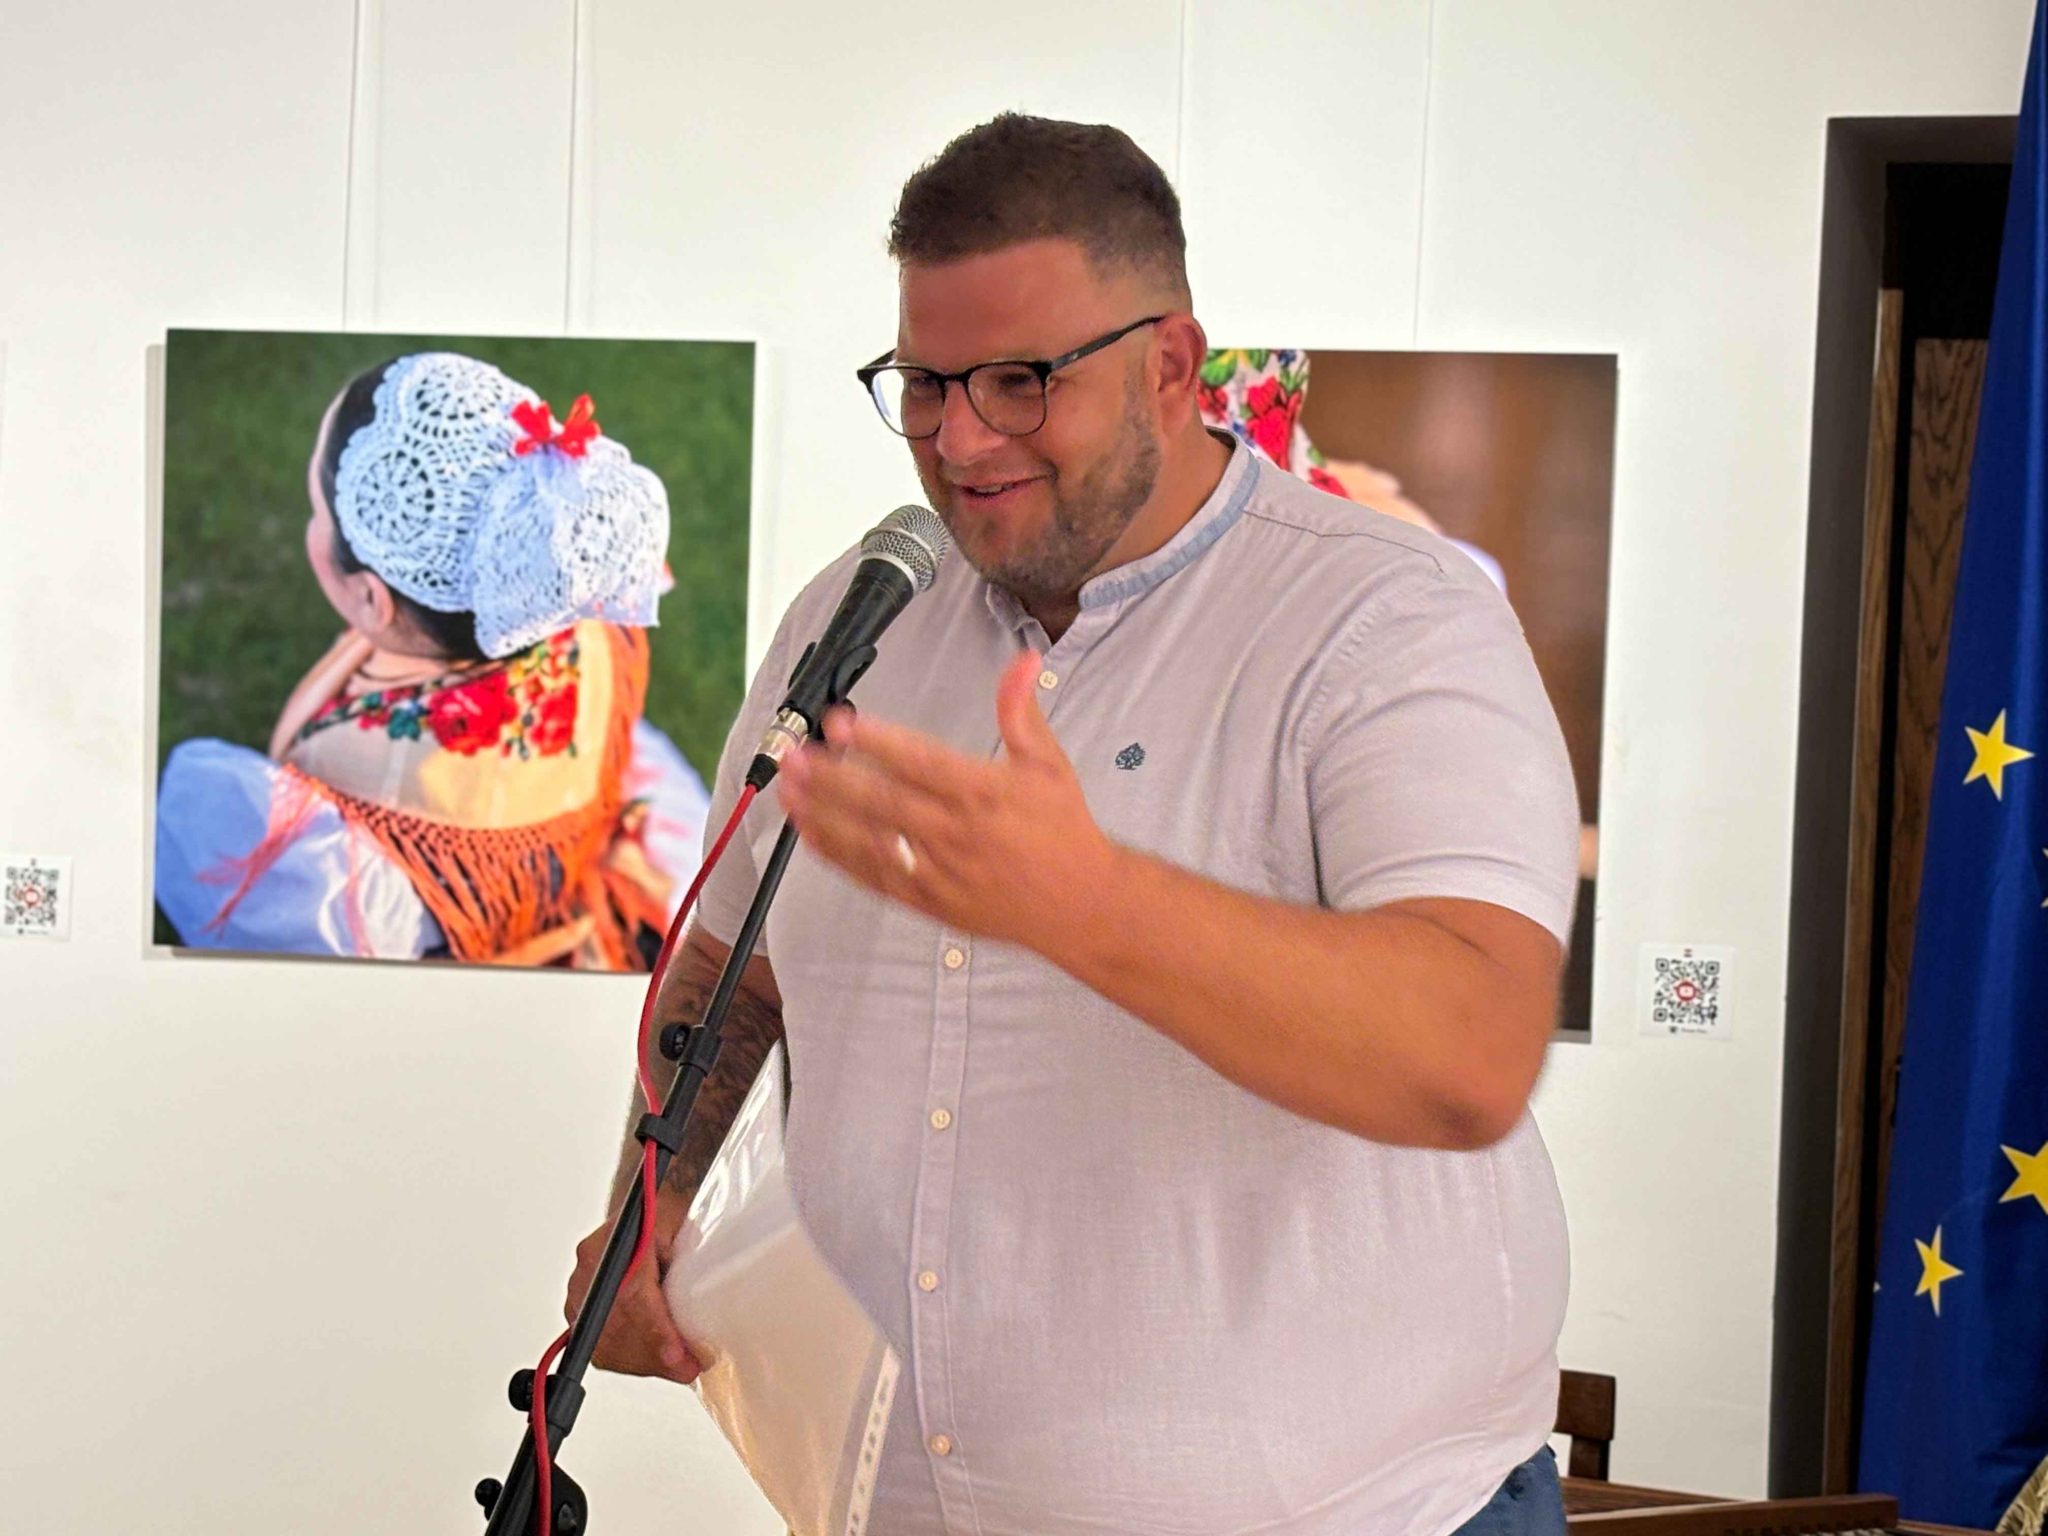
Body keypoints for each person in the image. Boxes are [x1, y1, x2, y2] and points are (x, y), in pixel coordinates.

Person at [568, 114, 1580, 1534]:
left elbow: (1470, 1053)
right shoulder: (857, 617)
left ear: (1170, 365)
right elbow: (740, 963)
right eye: (924, 384)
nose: (958, 438)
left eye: (1020, 381)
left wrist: (1084, 903)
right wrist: (649, 1204)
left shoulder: (1387, 619)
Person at [155, 351, 709, 968]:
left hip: (470, 939)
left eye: (316, 512)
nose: (309, 521)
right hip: (574, 849)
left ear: (372, 598)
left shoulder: (352, 834)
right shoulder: (585, 601)